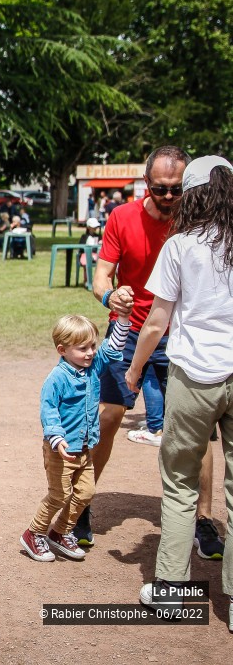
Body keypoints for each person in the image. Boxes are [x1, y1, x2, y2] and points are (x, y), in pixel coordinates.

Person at [79, 145, 223, 558]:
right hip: (128, 331)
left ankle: (204, 520)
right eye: (160, 189)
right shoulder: (122, 216)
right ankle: (83, 504)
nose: (169, 197)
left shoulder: (195, 219)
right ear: (147, 183)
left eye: (177, 189)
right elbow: (101, 277)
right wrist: (112, 297)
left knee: (198, 434)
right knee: (107, 417)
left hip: (180, 336)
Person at [127, 156, 233, 626]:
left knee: (178, 484)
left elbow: (155, 322)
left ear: (190, 195)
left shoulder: (180, 245)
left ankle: (171, 588)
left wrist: (133, 373)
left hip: (193, 377)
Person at [21, 313, 132, 562]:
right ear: (62, 350)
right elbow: (48, 410)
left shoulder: (93, 367)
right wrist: (57, 438)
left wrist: (123, 321)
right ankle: (34, 533)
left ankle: (60, 531)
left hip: (84, 448)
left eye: (92, 346)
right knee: (59, 495)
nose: (91, 352)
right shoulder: (57, 379)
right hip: (61, 449)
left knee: (85, 493)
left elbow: (113, 346)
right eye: (82, 349)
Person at [78, 217, 101, 286]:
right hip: (86, 255)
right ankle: (87, 281)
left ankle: (98, 282)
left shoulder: (99, 236)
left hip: (96, 255)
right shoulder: (84, 237)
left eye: (96, 227)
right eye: (93, 227)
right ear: (88, 227)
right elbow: (81, 248)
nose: (95, 228)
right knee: (86, 262)